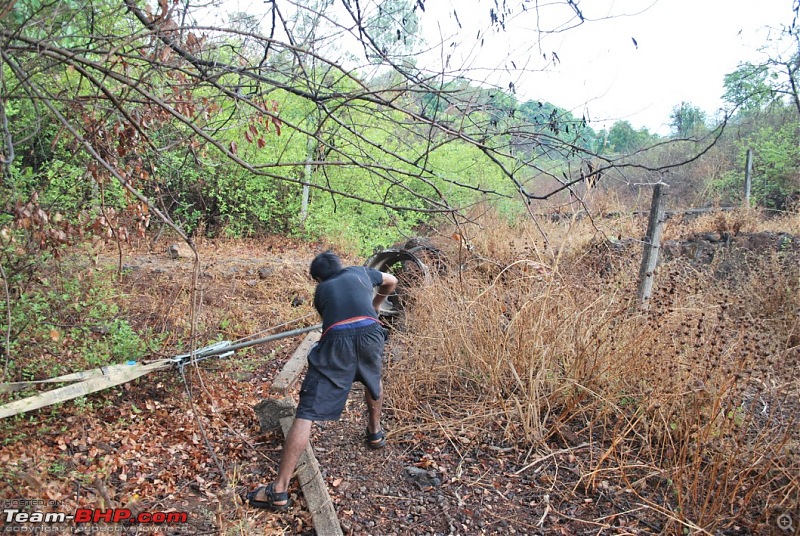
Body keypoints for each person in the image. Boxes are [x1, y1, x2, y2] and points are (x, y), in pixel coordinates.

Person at [247, 251, 398, 511]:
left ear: (318, 279)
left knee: (306, 411)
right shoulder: (361, 271)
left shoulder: (321, 291)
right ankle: (375, 433)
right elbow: (391, 280)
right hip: (372, 332)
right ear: (341, 265)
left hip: (337, 340)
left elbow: (334, 322)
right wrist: (375, 306)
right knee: (372, 378)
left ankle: (279, 491)